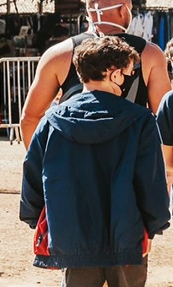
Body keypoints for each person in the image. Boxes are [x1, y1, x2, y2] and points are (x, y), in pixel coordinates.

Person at [21, 36, 170, 285]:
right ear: (113, 74)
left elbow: (33, 175)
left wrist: (35, 219)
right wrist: (154, 224)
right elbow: (151, 180)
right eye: (124, 74)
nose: (124, 81)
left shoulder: (51, 121)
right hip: (126, 233)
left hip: (72, 232)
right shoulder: (140, 120)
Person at [20, 0, 171, 148]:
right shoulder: (149, 54)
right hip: (128, 158)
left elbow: (30, 118)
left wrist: (40, 165)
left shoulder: (58, 54)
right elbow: (164, 118)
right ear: (123, 10)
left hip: (73, 158)